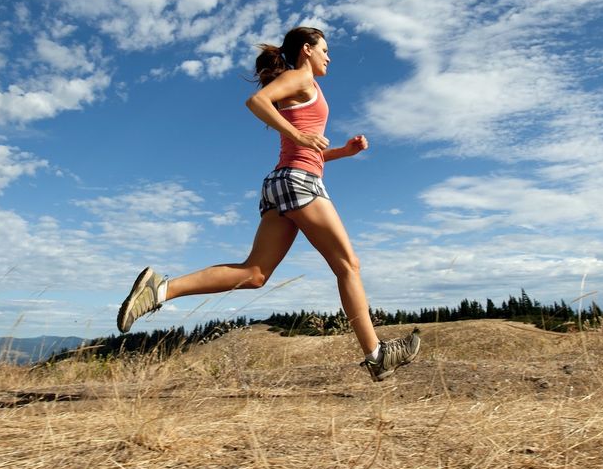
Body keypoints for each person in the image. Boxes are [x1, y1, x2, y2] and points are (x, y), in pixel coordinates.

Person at [116, 26, 420, 381]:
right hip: (298, 183)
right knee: (348, 265)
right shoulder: (299, 78)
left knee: (255, 274)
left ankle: (161, 289)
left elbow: (306, 152)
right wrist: (299, 134)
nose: (329, 56)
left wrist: (343, 152)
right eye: (325, 49)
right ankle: (376, 355)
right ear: (307, 49)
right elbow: (256, 102)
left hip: (284, 182)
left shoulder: (307, 86)